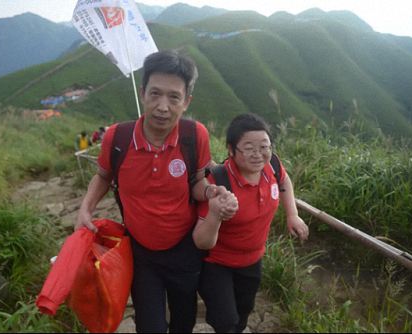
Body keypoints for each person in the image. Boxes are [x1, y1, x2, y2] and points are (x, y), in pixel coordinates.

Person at [75, 50, 237, 333]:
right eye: (155, 94)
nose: (163, 106)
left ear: (186, 101)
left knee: (184, 320)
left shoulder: (194, 135)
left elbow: (197, 181)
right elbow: (103, 176)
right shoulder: (117, 138)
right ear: (142, 93)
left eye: (174, 97)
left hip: (184, 249)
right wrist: (85, 209)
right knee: (150, 326)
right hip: (140, 252)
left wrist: (211, 193)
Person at [193, 113, 309, 333]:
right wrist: (216, 214)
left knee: (244, 311)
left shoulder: (272, 165)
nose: (258, 155)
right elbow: (201, 241)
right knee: (225, 321)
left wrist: (292, 214)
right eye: (248, 148)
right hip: (217, 264)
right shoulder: (218, 182)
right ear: (231, 149)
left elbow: (284, 180)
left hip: (253, 260)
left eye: (264, 146)